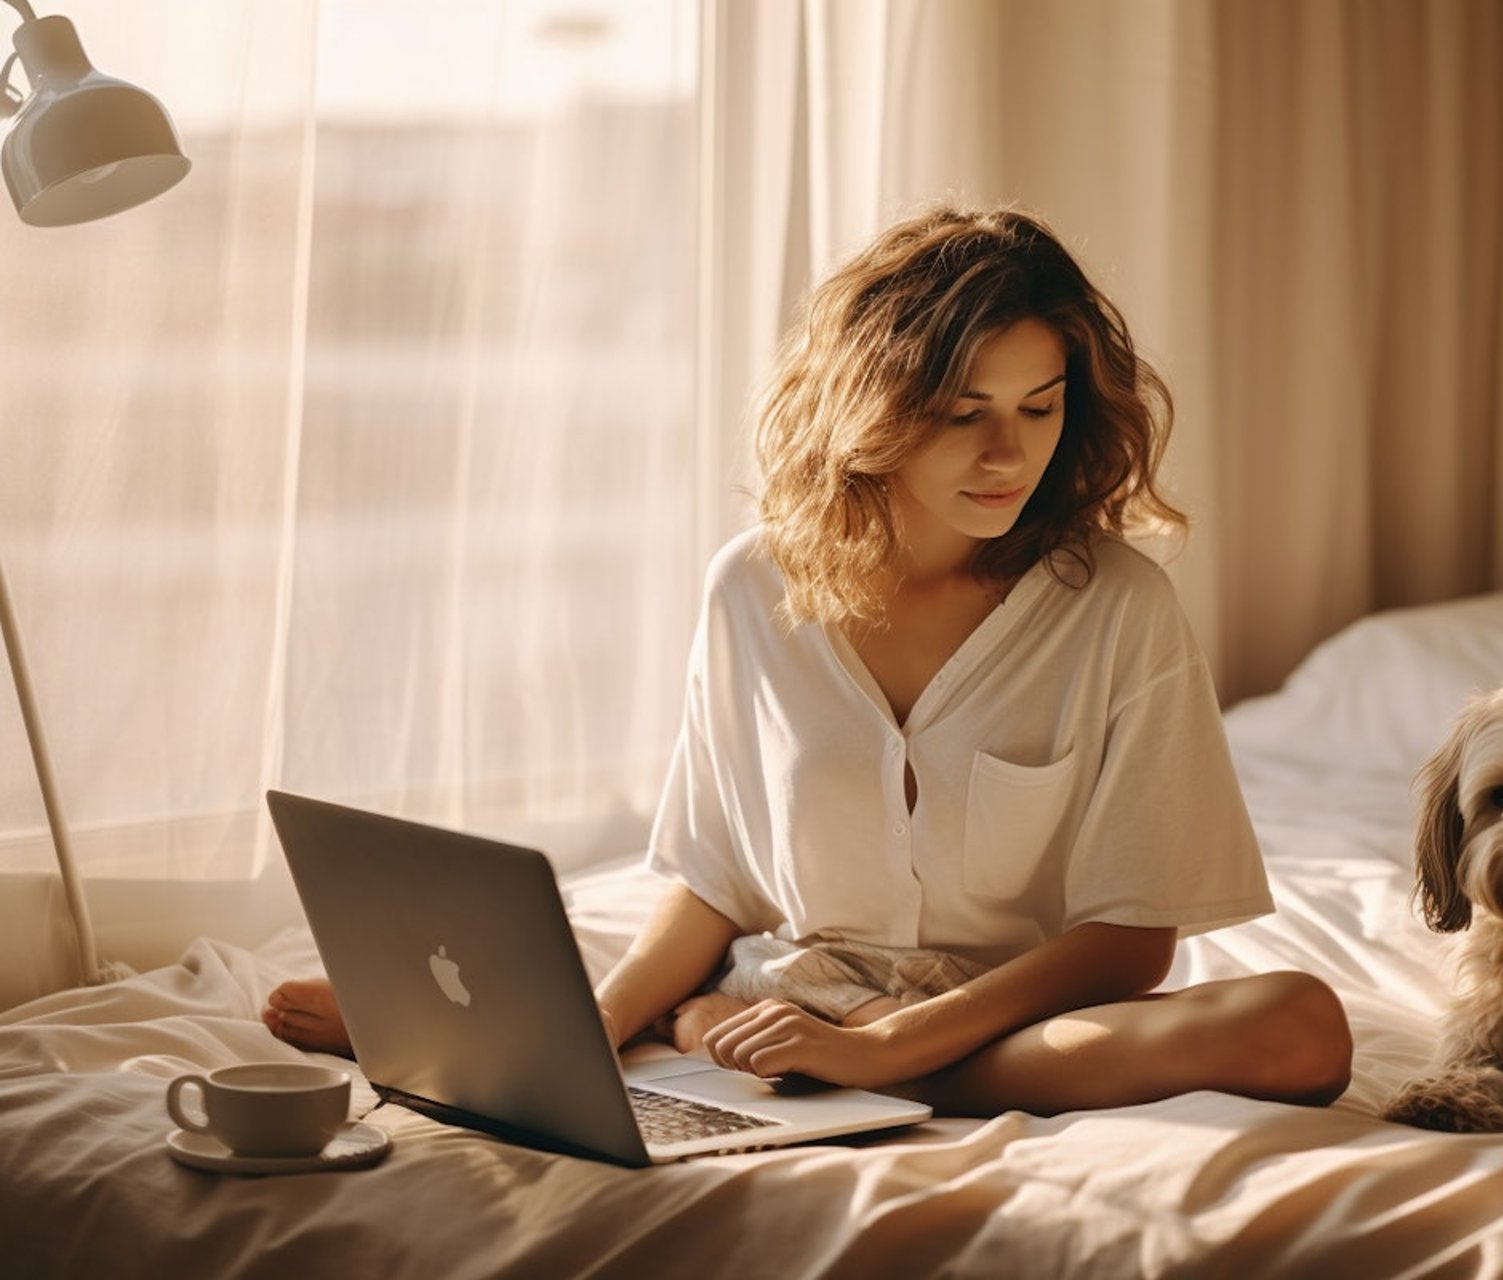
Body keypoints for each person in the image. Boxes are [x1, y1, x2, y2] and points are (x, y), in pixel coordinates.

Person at [265, 203, 1352, 1116]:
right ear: (873, 411)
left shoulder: (1117, 606)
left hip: (1025, 1015)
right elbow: (714, 882)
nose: (1009, 453)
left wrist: (890, 1045)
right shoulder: (753, 588)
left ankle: (735, 1036)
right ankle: (671, 1026)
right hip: (799, 985)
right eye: (964, 412)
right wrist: (588, 1030)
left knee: (1300, 1027)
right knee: (646, 988)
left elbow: (1129, 943)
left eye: (1039, 404)